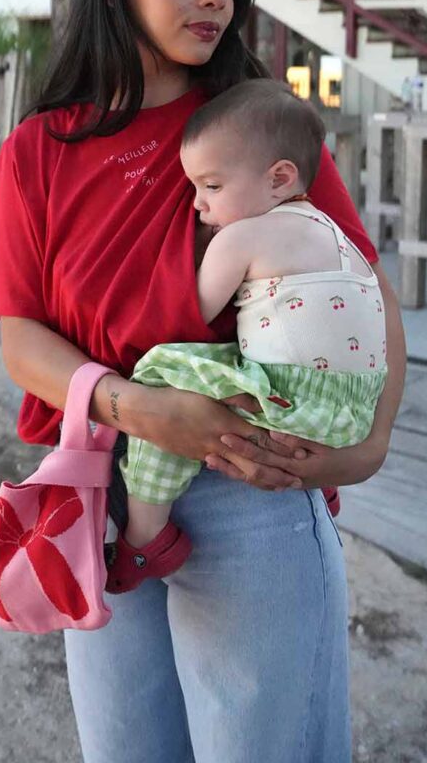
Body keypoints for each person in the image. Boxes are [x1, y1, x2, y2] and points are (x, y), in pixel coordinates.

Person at [0, 0, 405, 763]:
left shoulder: (252, 129)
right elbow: (22, 341)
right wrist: (136, 408)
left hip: (249, 488)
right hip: (99, 494)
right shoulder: (39, 151)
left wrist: (372, 444)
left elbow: (362, 284)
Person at [106, 79, 388, 595]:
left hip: (288, 405)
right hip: (350, 416)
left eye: (211, 186)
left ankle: (145, 536)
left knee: (162, 372)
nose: (197, 204)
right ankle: (320, 489)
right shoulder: (330, 229)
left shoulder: (242, 237)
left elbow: (185, 315)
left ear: (279, 178)